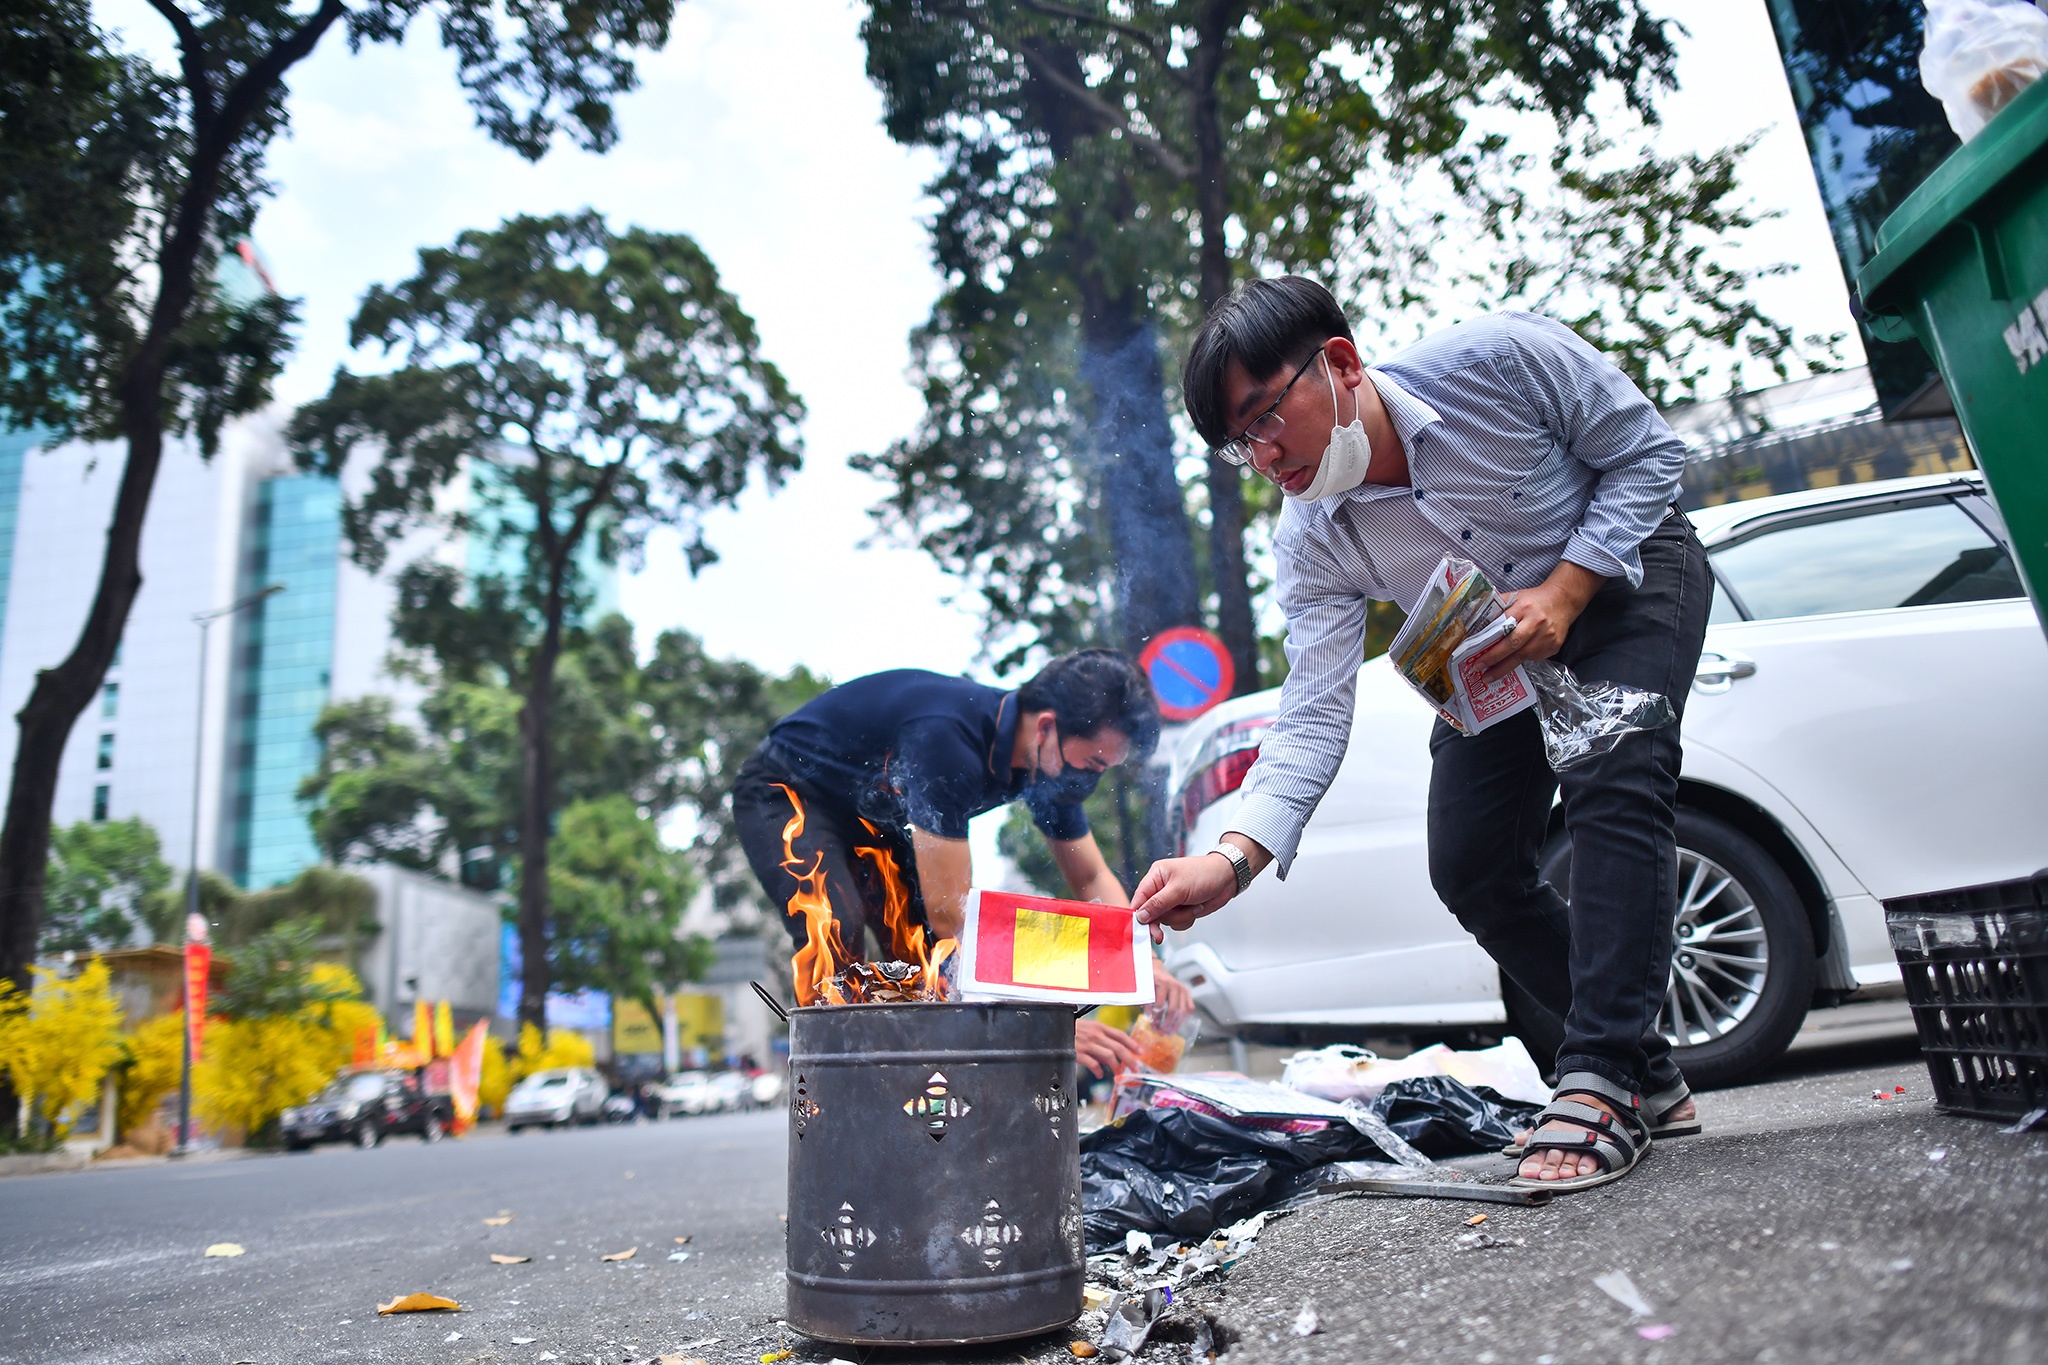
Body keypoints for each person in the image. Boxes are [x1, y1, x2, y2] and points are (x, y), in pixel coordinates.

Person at [1131, 278, 1711, 1191]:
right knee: (1472, 863)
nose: (1262, 453)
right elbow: (1315, 704)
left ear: (1342, 363)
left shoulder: (1502, 359)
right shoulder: (1309, 539)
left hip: (1622, 572)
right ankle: (1648, 1065)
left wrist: (1567, 588)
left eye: (1266, 416)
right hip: (1484, 644)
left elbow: (1648, 456)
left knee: (1612, 766)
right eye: (1239, 442)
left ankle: (1599, 1072)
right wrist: (1233, 858)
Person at [733, 648, 1192, 1079]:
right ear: (1047, 727)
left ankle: (925, 1101)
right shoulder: (948, 738)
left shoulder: (1047, 767)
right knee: (837, 926)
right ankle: (831, 1095)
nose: (1093, 777)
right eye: (1093, 762)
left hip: (872, 819)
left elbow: (1090, 875)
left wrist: (1144, 962)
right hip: (788, 791)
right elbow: (953, 914)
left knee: (922, 960)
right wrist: (1038, 1023)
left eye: (1106, 768)